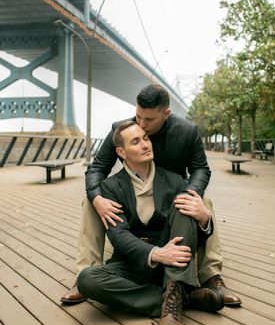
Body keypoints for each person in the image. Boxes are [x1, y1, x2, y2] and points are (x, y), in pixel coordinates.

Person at [61, 84, 241, 306]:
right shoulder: (123, 129)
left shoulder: (187, 131)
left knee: (200, 202)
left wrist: (187, 194)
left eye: (148, 121)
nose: (141, 125)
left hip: (172, 193)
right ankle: (87, 271)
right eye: (138, 117)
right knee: (90, 202)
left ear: (166, 114)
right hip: (134, 198)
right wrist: (97, 197)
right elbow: (97, 169)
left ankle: (210, 276)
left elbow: (201, 169)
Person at [77, 121, 224, 325]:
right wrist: (156, 253)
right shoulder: (110, 187)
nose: (146, 144)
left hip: (172, 265)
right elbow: (119, 237)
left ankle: (172, 307)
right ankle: (181, 299)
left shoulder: (175, 180)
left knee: (184, 203)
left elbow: (192, 236)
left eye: (146, 138)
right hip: (133, 262)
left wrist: (204, 219)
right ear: (121, 152)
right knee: (87, 279)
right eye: (136, 141)